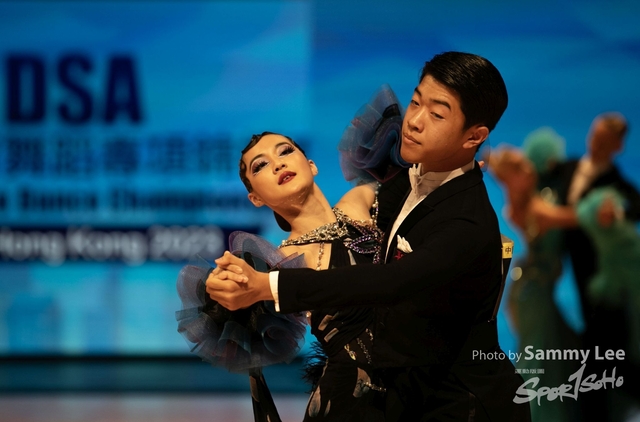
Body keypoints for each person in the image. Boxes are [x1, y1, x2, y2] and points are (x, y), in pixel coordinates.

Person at [207, 51, 532, 421]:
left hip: (455, 402)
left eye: (437, 114)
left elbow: (393, 281)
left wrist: (267, 286)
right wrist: (231, 286)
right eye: (415, 103)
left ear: (474, 136)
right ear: (253, 197)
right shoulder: (406, 186)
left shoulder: (457, 218)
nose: (414, 121)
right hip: (364, 396)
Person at [177, 85, 412, 421]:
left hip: (421, 380)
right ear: (256, 198)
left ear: (311, 165)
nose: (278, 164)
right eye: (260, 166)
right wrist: (220, 288)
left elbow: (418, 180)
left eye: (285, 151)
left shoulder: (362, 200)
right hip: (353, 402)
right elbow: (237, 306)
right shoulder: (282, 260)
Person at [549, 112, 640, 422]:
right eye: (594, 136)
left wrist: (616, 212)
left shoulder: (617, 185)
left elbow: (633, 206)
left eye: (604, 141)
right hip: (567, 269)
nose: (595, 145)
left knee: (604, 344)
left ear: (618, 146)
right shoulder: (569, 166)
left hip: (599, 275)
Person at [487, 129, 581, 422]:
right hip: (533, 292)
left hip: (532, 288)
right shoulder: (537, 207)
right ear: (512, 178)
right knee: (537, 361)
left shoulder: (529, 203)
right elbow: (579, 217)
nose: (529, 168)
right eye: (520, 167)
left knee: (550, 356)